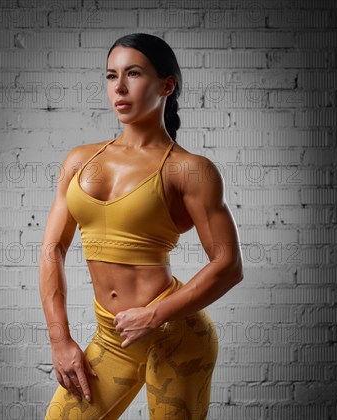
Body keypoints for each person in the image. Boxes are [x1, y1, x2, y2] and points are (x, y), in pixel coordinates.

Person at [39, 33, 243, 420]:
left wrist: (155, 314)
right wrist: (60, 338)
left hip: (175, 337)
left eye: (133, 73)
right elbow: (53, 250)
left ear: (167, 85)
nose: (119, 87)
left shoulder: (189, 169)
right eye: (111, 75)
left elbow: (229, 263)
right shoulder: (80, 161)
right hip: (112, 337)